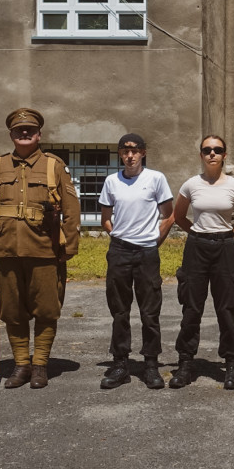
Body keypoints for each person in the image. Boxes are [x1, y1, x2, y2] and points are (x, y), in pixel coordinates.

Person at [0, 108, 80, 389]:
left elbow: (72, 210)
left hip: (45, 250)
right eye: (19, 130)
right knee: (12, 311)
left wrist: (67, 248)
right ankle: (21, 365)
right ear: (11, 134)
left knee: (47, 310)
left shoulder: (53, 165)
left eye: (30, 130)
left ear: (39, 134)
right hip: (7, 252)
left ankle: (40, 366)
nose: (25, 133)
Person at [169, 135, 234, 390]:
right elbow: (179, 216)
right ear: (201, 155)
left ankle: (230, 364)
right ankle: (185, 363)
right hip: (196, 247)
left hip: (224, 248)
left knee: (227, 308)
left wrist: (226, 234)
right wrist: (197, 232)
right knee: (191, 307)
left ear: (224, 155)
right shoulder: (191, 185)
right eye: (207, 150)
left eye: (217, 150)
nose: (212, 154)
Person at [97, 134, 174, 390]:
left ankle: (151, 365)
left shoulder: (156, 179)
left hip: (146, 254)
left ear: (143, 153)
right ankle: (120, 364)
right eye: (125, 150)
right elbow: (105, 219)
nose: (130, 155)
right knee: (119, 310)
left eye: (135, 150)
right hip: (119, 252)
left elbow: (169, 216)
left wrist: (152, 242)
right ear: (120, 153)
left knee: (149, 311)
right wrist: (121, 238)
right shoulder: (111, 181)